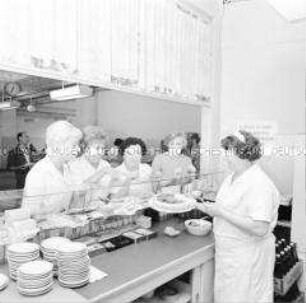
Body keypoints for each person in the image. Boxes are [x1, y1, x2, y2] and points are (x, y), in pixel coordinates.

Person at [196, 130, 279, 303]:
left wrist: (221, 213)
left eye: (228, 151)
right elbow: (228, 207)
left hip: (248, 255)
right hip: (230, 253)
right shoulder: (232, 177)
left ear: (241, 152)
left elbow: (260, 227)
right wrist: (202, 205)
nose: (225, 156)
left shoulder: (258, 183)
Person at [22, 121, 83, 219]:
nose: (78, 149)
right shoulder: (38, 174)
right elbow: (29, 215)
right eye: (74, 145)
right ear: (58, 145)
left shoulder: (67, 169)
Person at [68, 126, 112, 204]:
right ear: (85, 148)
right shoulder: (74, 165)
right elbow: (77, 193)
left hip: (102, 208)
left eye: (102, 148)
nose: (100, 152)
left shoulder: (105, 164)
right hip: (81, 209)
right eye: (97, 148)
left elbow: (110, 189)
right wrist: (101, 173)